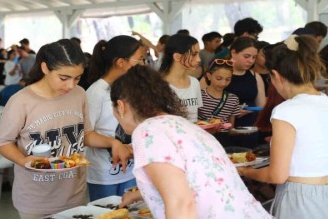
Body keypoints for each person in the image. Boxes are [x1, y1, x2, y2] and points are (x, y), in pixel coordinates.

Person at [112, 65, 271, 219]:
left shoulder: (147, 131)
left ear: (120, 106)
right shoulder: (182, 124)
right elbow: (196, 182)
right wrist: (140, 194)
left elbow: (181, 203)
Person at [0, 39, 131, 218]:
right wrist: (24, 160)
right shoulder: (21, 101)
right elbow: (4, 142)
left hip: (73, 193)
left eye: (77, 78)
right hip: (36, 197)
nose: (70, 85)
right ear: (45, 68)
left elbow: (86, 134)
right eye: (64, 78)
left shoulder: (79, 94)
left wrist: (113, 142)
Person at [238, 35, 328, 219]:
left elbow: (277, 175)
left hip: (300, 199)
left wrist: (244, 170)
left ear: (275, 75)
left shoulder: (287, 110)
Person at [85, 35, 146, 201]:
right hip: (104, 174)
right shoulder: (96, 92)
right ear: (120, 62)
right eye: (139, 59)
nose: (143, 65)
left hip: (131, 170)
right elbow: (85, 135)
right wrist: (114, 143)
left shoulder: (131, 88)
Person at [159, 34, 203, 123]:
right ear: (177, 56)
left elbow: (194, 118)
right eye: (194, 54)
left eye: (198, 54)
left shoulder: (194, 83)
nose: (199, 59)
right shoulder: (159, 85)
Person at [197, 59, 241, 145]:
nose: (223, 83)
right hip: (201, 139)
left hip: (223, 141)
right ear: (209, 76)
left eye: (228, 79)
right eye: (219, 78)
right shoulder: (198, 95)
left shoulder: (233, 99)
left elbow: (230, 128)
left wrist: (241, 131)